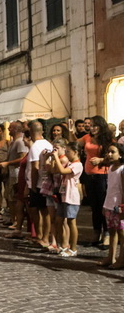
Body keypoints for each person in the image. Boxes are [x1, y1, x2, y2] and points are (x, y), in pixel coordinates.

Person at [75, 115, 114, 248]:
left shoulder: (108, 139)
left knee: (103, 206)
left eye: (94, 125)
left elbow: (114, 157)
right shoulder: (87, 137)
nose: (92, 128)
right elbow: (75, 143)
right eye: (90, 125)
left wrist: (101, 160)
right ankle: (96, 232)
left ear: (101, 126)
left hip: (102, 175)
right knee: (94, 206)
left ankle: (107, 234)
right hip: (89, 175)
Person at [51, 141, 82, 257]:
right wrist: (54, 158)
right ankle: (62, 245)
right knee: (58, 220)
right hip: (63, 195)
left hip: (71, 197)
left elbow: (62, 171)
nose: (67, 153)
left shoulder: (77, 165)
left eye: (68, 151)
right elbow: (54, 170)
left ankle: (73, 248)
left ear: (75, 152)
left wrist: (56, 157)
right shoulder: (69, 163)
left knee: (71, 222)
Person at [25, 121, 53, 247]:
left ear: (31, 132)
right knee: (42, 211)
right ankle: (42, 236)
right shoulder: (48, 144)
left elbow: (35, 167)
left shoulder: (35, 146)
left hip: (39, 183)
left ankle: (43, 237)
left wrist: (33, 186)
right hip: (46, 182)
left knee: (41, 211)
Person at [0, 122, 29, 231]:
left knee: (15, 198)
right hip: (11, 173)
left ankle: (17, 221)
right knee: (9, 197)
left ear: (16, 129)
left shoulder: (20, 142)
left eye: (10, 127)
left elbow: (22, 158)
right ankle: (13, 219)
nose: (8, 129)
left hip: (17, 174)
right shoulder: (14, 142)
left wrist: (8, 163)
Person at [100, 143, 124, 268]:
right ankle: (111, 256)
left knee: (122, 233)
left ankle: (122, 259)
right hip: (110, 204)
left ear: (120, 154)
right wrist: (105, 205)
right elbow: (110, 188)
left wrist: (122, 207)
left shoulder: (122, 169)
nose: (109, 154)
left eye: (113, 152)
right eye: (108, 152)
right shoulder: (110, 168)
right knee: (112, 231)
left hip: (118, 206)